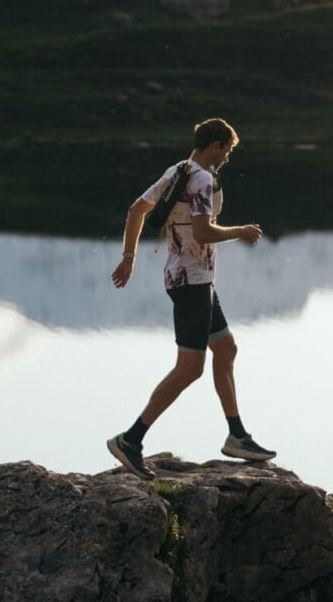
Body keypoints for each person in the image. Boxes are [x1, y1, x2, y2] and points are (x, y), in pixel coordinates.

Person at [107, 117, 273, 479]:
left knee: (226, 349)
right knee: (189, 368)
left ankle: (237, 436)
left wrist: (129, 257)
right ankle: (130, 440)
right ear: (214, 145)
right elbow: (202, 230)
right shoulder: (201, 178)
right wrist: (240, 231)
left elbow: (136, 209)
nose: (227, 158)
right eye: (226, 151)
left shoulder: (179, 170)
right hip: (192, 283)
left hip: (193, 280)